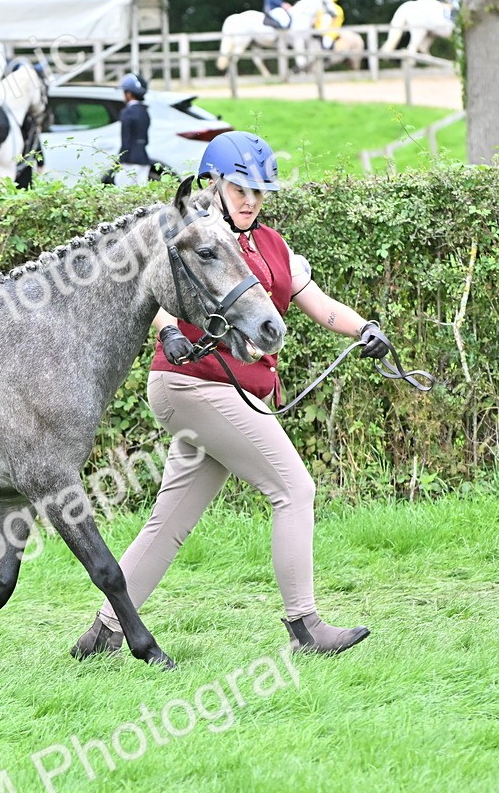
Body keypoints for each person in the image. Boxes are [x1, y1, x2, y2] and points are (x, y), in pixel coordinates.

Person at [72, 131, 392, 660]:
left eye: (260, 192)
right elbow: (152, 289)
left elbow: (316, 301)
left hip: (234, 392)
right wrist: (166, 328)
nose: (250, 200)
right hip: (194, 384)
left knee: (171, 519)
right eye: (241, 188)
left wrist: (364, 329)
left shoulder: (271, 245)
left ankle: (104, 633)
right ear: (214, 183)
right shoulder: (191, 233)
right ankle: (305, 627)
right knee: (294, 488)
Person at [114, 73, 150, 188]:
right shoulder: (144, 111)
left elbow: (126, 139)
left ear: (129, 94)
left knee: (121, 186)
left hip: (130, 160)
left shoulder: (127, 113)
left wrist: (120, 159)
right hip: (143, 158)